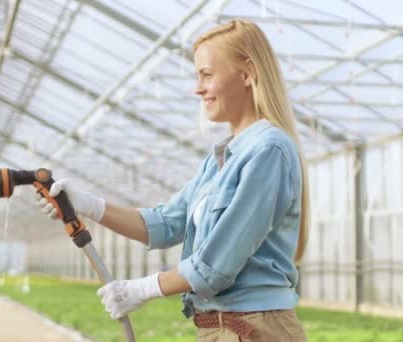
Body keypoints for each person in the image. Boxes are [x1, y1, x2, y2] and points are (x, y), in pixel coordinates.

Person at [36, 19, 309, 341]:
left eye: (207, 74)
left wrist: (142, 288)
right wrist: (86, 204)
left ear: (247, 73)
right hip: (222, 328)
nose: (198, 88)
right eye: (197, 76)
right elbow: (164, 224)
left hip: (255, 328)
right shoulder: (219, 160)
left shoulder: (268, 150)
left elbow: (217, 262)